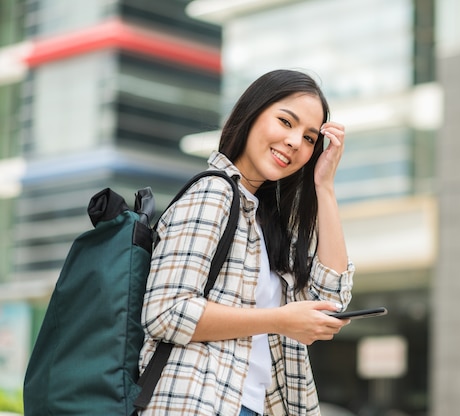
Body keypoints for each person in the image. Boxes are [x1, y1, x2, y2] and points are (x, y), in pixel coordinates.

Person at [138, 69, 355, 415]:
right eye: (286, 122)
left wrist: (324, 186)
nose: (296, 142)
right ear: (252, 113)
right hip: (197, 403)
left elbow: (329, 301)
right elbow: (166, 312)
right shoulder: (214, 192)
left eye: (310, 138)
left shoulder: (266, 223)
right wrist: (277, 320)